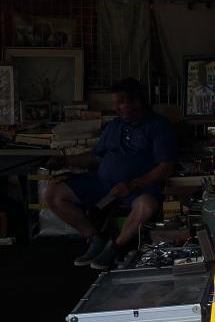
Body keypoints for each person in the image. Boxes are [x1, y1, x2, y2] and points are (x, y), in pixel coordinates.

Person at [46, 77, 177, 270]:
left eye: (121, 103)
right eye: (115, 103)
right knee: (53, 193)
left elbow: (166, 167)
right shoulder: (114, 125)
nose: (116, 108)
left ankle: (115, 246)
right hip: (102, 184)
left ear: (137, 101)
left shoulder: (159, 126)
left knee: (147, 206)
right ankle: (94, 238)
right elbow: (96, 157)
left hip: (138, 188)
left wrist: (133, 185)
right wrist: (65, 161)